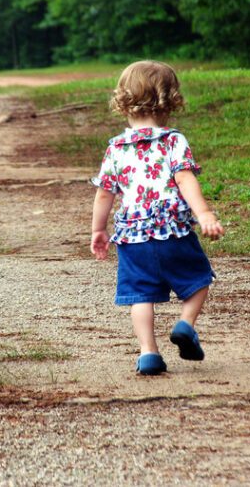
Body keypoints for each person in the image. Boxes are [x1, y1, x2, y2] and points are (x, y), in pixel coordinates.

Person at [91, 60, 224, 376]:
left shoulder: (116, 147)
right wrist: (203, 213)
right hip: (173, 231)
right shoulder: (173, 140)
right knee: (199, 279)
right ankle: (185, 324)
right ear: (171, 99)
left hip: (133, 237)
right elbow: (184, 179)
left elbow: (105, 193)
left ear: (123, 99)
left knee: (140, 294)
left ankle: (148, 353)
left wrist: (98, 229)